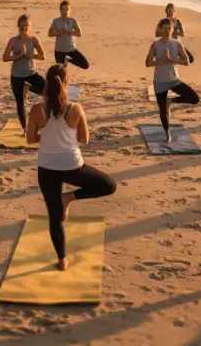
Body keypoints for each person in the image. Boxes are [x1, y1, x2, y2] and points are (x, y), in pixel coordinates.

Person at [27, 64, 117, 271]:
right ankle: (69, 197)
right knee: (109, 185)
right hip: (72, 166)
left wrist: (46, 135)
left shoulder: (36, 110)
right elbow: (84, 139)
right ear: (66, 82)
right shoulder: (75, 109)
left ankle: (62, 260)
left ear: (47, 82)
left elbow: (30, 139)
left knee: (54, 216)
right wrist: (66, 134)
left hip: (47, 168)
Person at [146, 17, 200, 142]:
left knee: (194, 98)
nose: (167, 31)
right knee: (163, 112)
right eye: (165, 28)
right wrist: (161, 61)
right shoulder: (155, 45)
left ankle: (171, 100)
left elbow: (186, 61)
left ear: (172, 30)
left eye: (169, 28)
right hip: (159, 82)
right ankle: (167, 133)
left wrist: (171, 60)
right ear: (160, 29)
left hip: (174, 80)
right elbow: (148, 63)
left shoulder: (177, 43)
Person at [3, 14, 46, 132]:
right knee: (20, 103)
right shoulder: (13, 40)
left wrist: (28, 55)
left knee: (46, 90)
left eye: (26, 25)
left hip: (31, 73)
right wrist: (18, 56)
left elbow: (42, 56)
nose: (24, 28)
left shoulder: (33, 39)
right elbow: (5, 57)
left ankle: (28, 87)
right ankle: (25, 128)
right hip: (16, 76)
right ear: (18, 26)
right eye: (22, 25)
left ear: (29, 26)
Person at [48, 0, 89, 70]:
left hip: (71, 49)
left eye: (67, 9)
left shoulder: (72, 20)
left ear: (70, 10)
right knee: (61, 71)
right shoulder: (56, 21)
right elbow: (49, 34)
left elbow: (79, 33)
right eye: (64, 9)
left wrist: (69, 31)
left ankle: (67, 60)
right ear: (60, 10)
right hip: (59, 50)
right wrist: (59, 32)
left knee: (85, 64)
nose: (66, 11)